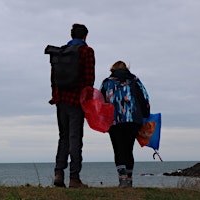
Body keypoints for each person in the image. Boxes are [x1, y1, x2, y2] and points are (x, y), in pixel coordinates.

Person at [48, 23, 95, 188]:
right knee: (76, 138)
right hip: (76, 101)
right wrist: (88, 101)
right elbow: (89, 79)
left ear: (71, 35)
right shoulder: (86, 51)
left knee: (63, 137)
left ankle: (58, 173)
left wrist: (56, 97)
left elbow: (53, 78)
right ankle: (74, 178)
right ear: (85, 36)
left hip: (60, 101)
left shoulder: (61, 52)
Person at [100, 61, 150, 188]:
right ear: (126, 68)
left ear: (113, 69)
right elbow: (145, 98)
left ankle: (122, 180)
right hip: (133, 119)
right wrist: (145, 116)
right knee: (129, 149)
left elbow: (100, 102)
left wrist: (102, 120)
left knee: (118, 149)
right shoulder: (135, 80)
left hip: (114, 121)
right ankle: (129, 179)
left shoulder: (107, 82)